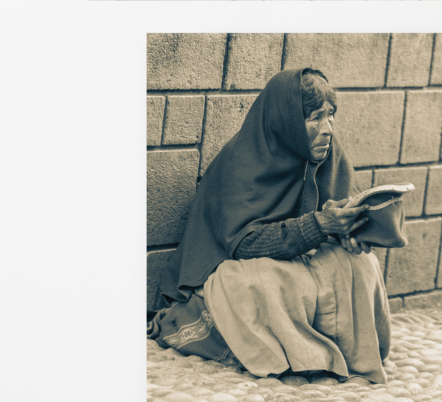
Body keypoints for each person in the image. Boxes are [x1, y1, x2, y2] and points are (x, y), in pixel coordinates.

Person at [149, 67, 391, 384]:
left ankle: (346, 352)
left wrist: (351, 232)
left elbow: (336, 214)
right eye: (314, 118)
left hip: (302, 257)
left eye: (331, 116)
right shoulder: (242, 159)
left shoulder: (329, 154)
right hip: (237, 262)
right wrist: (320, 225)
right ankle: (304, 357)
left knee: (362, 265)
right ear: (287, 123)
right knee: (255, 283)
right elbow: (245, 244)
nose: (327, 128)